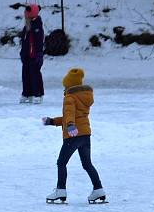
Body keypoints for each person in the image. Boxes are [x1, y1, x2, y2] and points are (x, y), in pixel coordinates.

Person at [42, 68, 106, 204]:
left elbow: (70, 114)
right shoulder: (83, 96)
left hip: (73, 135)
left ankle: (61, 190)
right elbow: (70, 116)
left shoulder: (70, 97)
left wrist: (71, 125)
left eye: (65, 86)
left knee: (61, 162)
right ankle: (98, 189)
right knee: (87, 164)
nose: (64, 89)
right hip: (85, 134)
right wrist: (52, 121)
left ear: (69, 85)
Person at [19, 4, 45, 104]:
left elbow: (38, 42)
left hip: (34, 55)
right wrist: (22, 53)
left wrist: (39, 54)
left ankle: (38, 93)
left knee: (35, 74)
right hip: (26, 56)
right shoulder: (27, 27)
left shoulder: (37, 26)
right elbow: (24, 41)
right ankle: (27, 93)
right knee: (25, 74)